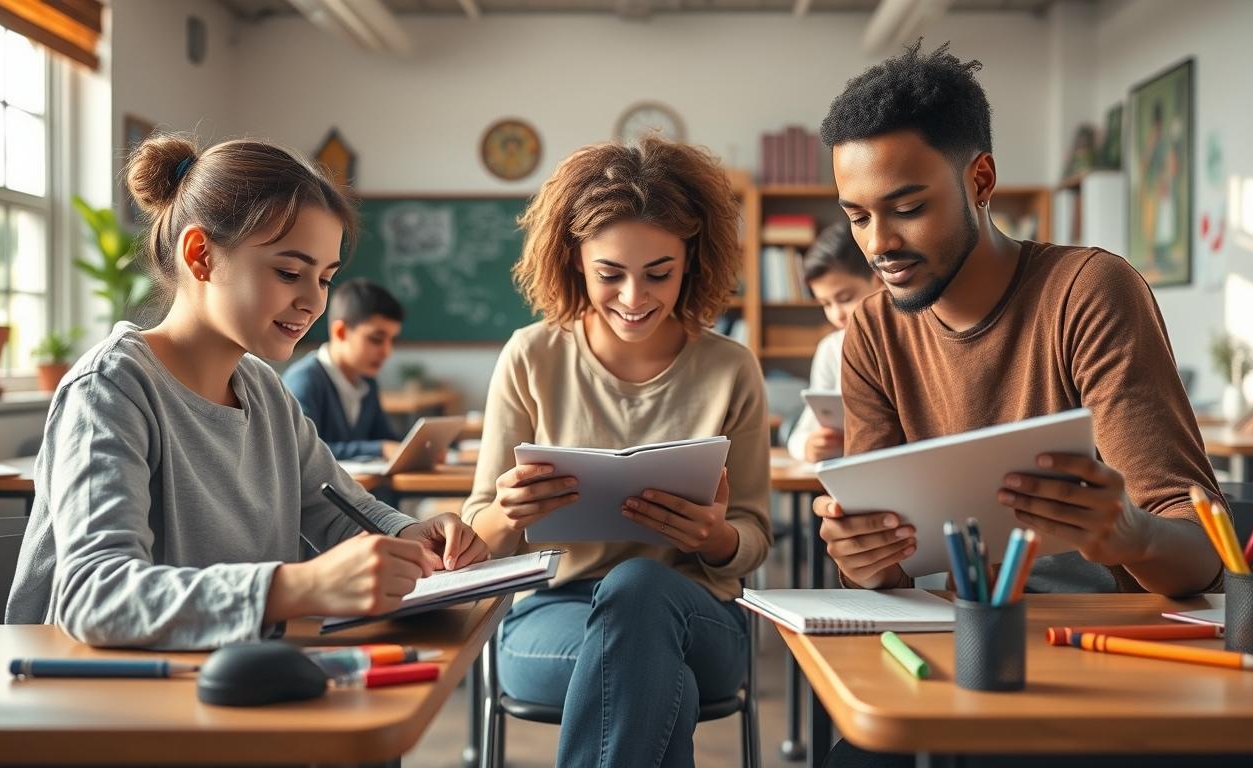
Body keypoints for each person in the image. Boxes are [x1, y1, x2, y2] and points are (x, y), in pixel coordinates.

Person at [810, 42, 1224, 765]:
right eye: (858, 217)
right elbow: (880, 576)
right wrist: (862, 557)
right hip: (971, 650)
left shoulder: (1088, 292)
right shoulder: (873, 330)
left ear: (981, 180)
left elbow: (1202, 559)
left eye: (907, 208)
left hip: (1113, 655)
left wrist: (1129, 534)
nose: (880, 244)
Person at [6, 135, 488, 650]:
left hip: (231, 671)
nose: (313, 302)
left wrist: (408, 534)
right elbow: (94, 596)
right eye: (289, 272)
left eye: (325, 279)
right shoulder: (110, 388)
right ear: (200, 255)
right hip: (97, 685)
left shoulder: (264, 390)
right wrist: (300, 586)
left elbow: (337, 508)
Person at [462, 136, 772, 768]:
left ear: (691, 260)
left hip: (699, 614)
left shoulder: (730, 368)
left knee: (640, 593)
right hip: (555, 611)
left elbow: (755, 537)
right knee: (658, 683)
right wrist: (507, 512)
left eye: (659, 273)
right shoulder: (531, 356)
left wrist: (715, 537)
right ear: (574, 259)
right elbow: (477, 540)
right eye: (610, 274)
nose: (634, 298)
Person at [283, 277, 405, 462]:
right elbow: (301, 450)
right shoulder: (305, 380)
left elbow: (384, 437)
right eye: (376, 339)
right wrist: (379, 449)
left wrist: (414, 448)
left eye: (392, 341)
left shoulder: (367, 382)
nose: (387, 351)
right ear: (340, 332)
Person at [786, 221, 877, 462]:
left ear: (879, 280)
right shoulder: (831, 348)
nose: (836, 315)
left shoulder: (912, 338)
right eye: (826, 304)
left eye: (845, 298)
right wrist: (809, 446)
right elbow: (800, 434)